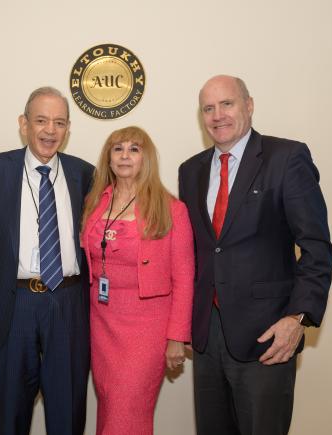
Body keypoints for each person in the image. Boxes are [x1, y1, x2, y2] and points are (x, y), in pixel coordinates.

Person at [178, 75, 332, 435]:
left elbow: (316, 246)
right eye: (208, 108)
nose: (218, 115)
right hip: (207, 336)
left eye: (227, 104)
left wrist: (299, 317)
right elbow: (196, 253)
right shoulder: (191, 171)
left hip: (268, 334)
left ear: (249, 105)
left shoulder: (287, 157)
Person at [0, 86, 94, 435]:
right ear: (23, 124)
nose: (50, 130)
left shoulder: (84, 173)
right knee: (12, 410)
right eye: (41, 120)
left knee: (68, 410)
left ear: (68, 129)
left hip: (68, 303)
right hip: (15, 305)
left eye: (59, 122)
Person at [80, 126, 194, 435]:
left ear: (147, 157)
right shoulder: (95, 202)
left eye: (134, 148)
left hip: (147, 327)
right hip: (101, 322)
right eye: (118, 149)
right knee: (109, 404)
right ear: (109, 157)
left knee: (126, 409)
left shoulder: (171, 209)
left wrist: (176, 337)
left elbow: (184, 277)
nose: (125, 155)